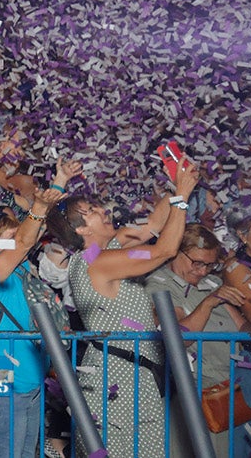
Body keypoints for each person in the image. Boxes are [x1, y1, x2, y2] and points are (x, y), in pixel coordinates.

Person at [47, 158, 199, 458]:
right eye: (91, 213)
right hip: (118, 378)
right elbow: (165, 251)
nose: (103, 211)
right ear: (80, 231)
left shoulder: (108, 248)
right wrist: (182, 197)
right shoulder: (96, 263)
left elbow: (153, 227)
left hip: (136, 372)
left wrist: (176, 183)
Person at [0, 168, 72, 458]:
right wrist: (37, 206)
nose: (20, 241)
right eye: (10, 238)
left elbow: (32, 233)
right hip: (1, 379)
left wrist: (58, 183)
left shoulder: (24, 268)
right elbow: (26, 239)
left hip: (31, 376)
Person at [146, 223, 251, 458]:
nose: (203, 271)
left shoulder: (214, 284)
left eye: (210, 265)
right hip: (196, 393)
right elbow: (179, 338)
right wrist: (208, 303)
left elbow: (244, 329)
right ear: (176, 251)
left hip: (231, 389)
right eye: (197, 263)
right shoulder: (158, 284)